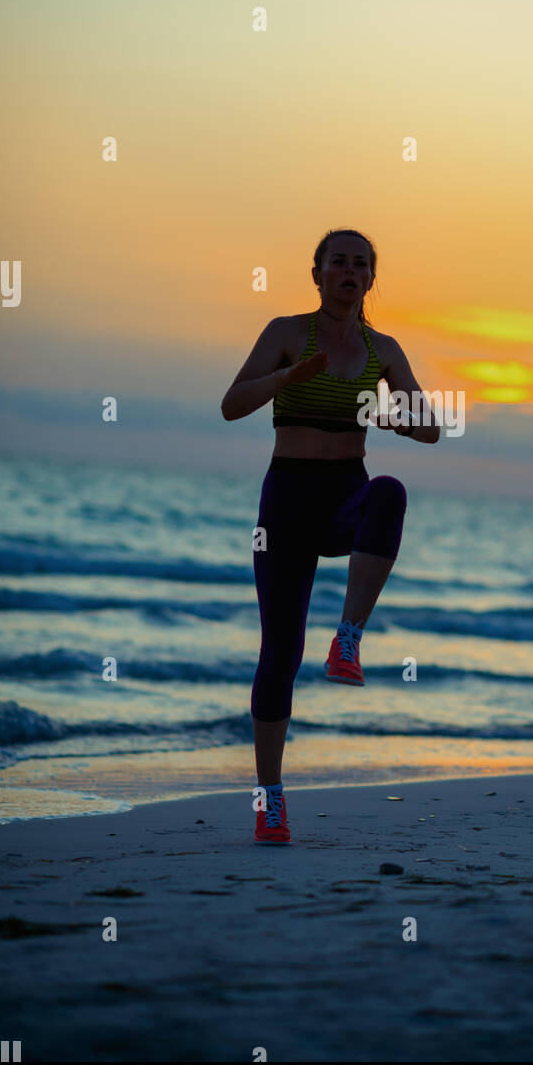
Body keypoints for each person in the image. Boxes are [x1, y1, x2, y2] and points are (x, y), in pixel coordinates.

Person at [221, 230, 440, 843]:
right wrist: (287, 379)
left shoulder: (384, 348)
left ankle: (348, 639)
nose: (348, 271)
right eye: (337, 262)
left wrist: (396, 416)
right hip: (287, 500)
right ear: (316, 273)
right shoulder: (287, 332)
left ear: (372, 278)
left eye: (360, 264)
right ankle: (271, 801)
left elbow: (431, 428)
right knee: (279, 654)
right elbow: (231, 403)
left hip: (347, 494)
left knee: (390, 492)